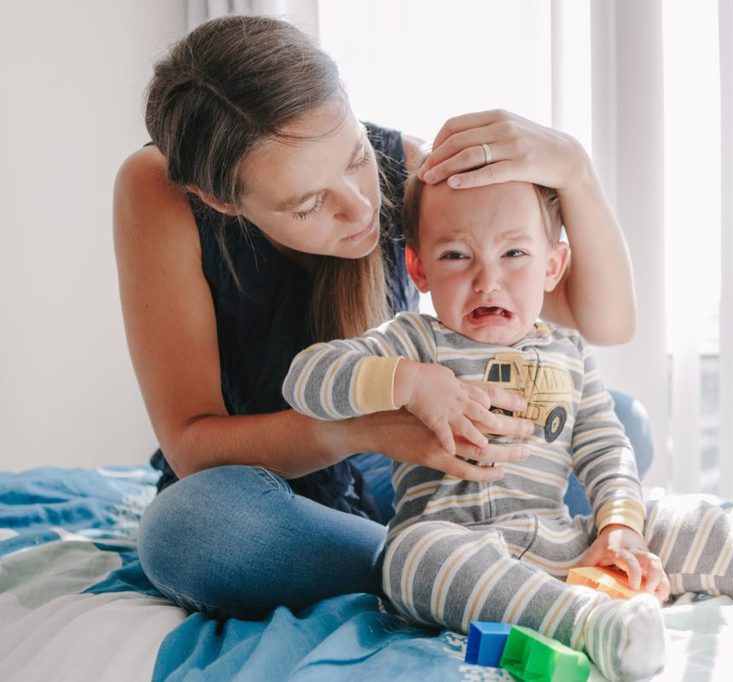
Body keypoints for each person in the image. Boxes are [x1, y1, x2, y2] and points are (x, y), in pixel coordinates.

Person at [282, 172, 733, 681]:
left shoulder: (565, 355)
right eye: (456, 256)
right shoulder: (412, 340)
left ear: (552, 267)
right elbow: (306, 379)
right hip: (455, 541)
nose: (488, 279)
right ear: (418, 268)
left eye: (514, 252)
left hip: (559, 539)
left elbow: (604, 448)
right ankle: (591, 626)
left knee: (678, 515)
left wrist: (620, 528)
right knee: (408, 554)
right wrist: (407, 382)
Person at [114, 14, 647, 621]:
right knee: (191, 530)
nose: (362, 206)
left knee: (623, 424)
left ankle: (454, 566)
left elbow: (603, 322)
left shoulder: (415, 169)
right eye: (309, 203)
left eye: (355, 155)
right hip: (271, 486)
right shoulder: (157, 189)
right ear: (219, 200)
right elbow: (190, 445)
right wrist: (365, 427)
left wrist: (574, 170)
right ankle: (433, 564)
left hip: (394, 477)